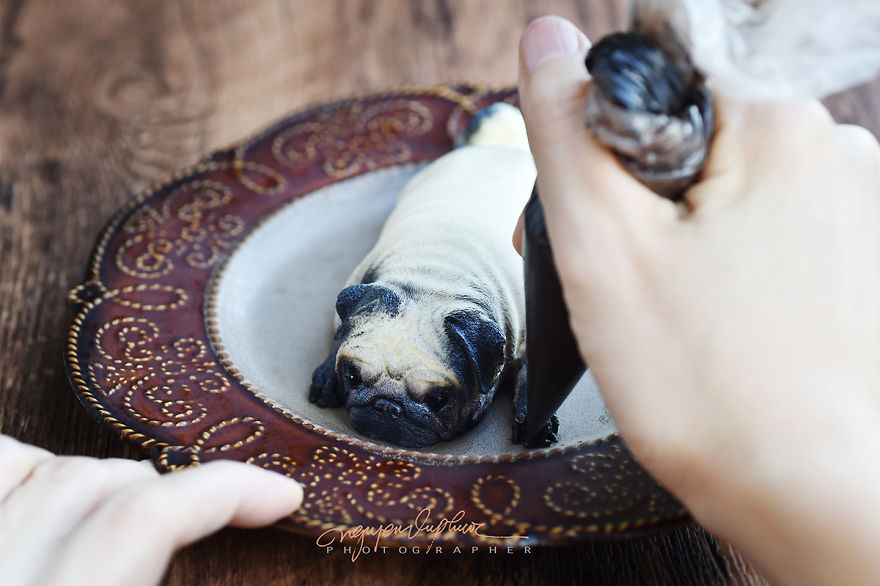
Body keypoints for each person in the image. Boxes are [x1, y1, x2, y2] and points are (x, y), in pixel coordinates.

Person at [1, 14, 878, 586]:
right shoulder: (372, 311)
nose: (383, 406)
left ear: (495, 354)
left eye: (429, 400)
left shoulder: (495, 311)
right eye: (363, 383)